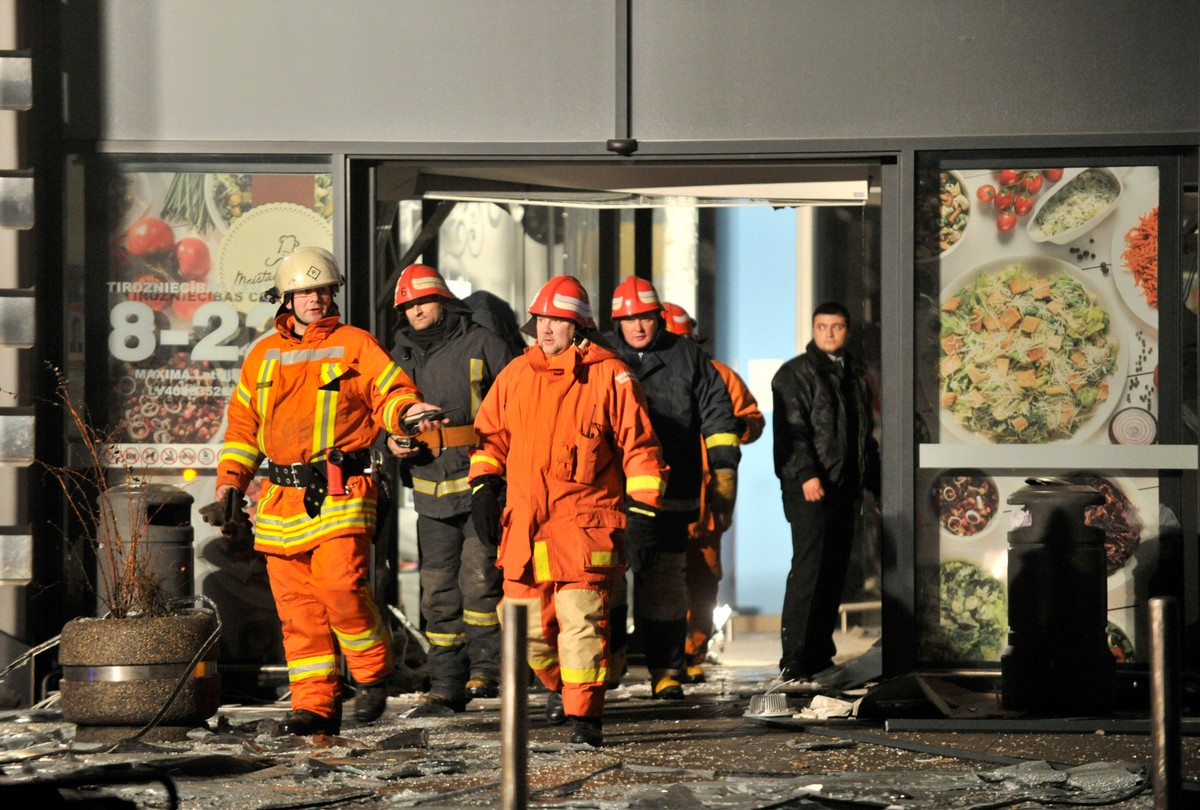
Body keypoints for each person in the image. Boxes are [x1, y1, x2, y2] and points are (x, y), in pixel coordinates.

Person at [215, 246, 445, 736]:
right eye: (304, 292)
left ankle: (372, 673)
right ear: (286, 299)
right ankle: (315, 706)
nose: (314, 299)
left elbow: (391, 393)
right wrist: (230, 485)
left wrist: (408, 415)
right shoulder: (261, 355)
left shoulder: (354, 344)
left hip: (343, 490)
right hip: (280, 500)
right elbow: (242, 429)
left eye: (322, 290)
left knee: (341, 588)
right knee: (299, 613)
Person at [468, 275, 667, 748]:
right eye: (540, 320)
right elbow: (491, 440)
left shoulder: (611, 375)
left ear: (577, 326)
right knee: (526, 631)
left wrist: (643, 513)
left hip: (583, 529)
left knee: (580, 624)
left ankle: (585, 717)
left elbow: (640, 449)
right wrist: (482, 486)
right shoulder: (516, 375)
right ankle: (565, 687)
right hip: (525, 529)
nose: (546, 329)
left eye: (556, 320)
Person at [385, 264, 517, 714]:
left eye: (423, 302)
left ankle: (488, 671)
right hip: (429, 491)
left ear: (442, 301)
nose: (416, 310)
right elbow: (379, 411)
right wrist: (392, 441)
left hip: (482, 487)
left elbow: (517, 409)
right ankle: (447, 681)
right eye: (408, 305)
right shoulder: (398, 356)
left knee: (481, 585)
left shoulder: (485, 344)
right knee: (437, 592)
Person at [607, 277, 741, 699]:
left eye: (645, 318)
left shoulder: (688, 357)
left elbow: (719, 415)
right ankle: (607, 665)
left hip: (672, 493)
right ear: (617, 323)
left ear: (658, 317)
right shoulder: (599, 356)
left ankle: (667, 670)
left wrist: (724, 470)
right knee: (607, 584)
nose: (638, 327)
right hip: (612, 496)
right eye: (629, 320)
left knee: (664, 584)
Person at [771, 301, 880, 682]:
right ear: (813, 330)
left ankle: (818, 652)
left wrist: (875, 486)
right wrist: (805, 475)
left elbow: (864, 438)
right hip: (810, 489)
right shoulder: (794, 374)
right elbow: (792, 432)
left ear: (847, 331)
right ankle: (795, 657)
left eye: (837, 327)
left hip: (843, 487)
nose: (830, 334)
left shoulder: (853, 374)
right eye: (823, 327)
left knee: (834, 572)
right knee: (809, 570)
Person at [660, 302, 764, 684]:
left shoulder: (719, 376)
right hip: (663, 495)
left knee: (702, 578)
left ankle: (692, 651)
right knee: (662, 577)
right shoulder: (646, 373)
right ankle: (667, 654)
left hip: (707, 500)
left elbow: (752, 421)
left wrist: (729, 423)